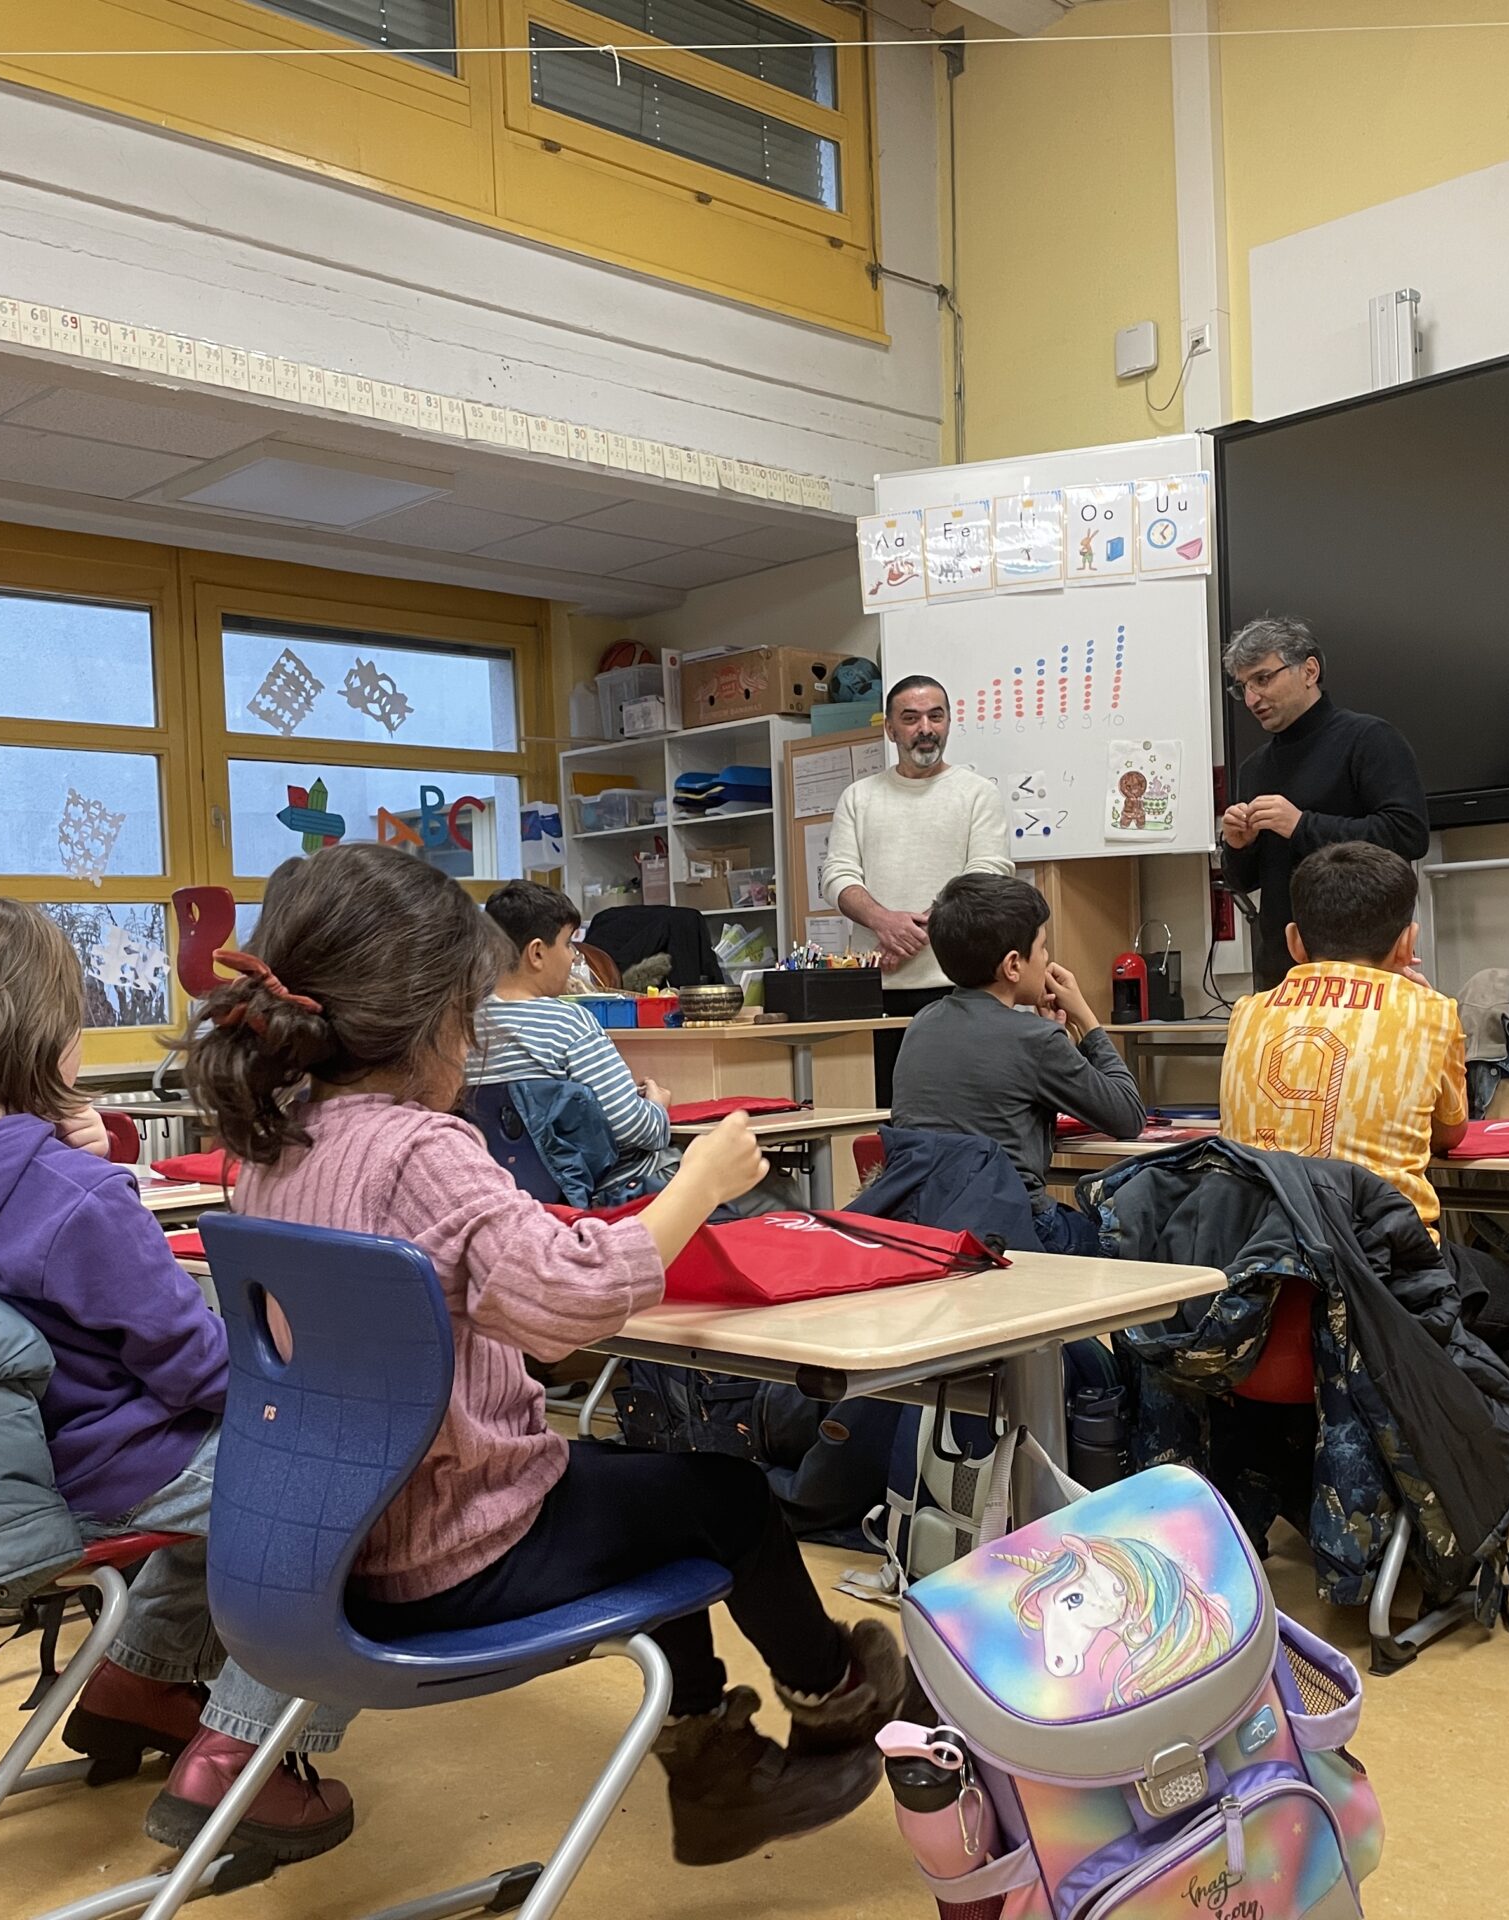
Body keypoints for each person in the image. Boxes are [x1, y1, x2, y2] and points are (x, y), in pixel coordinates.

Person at [181, 843, 907, 1867]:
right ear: (439, 1017)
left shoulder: (277, 1142)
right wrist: (699, 1184)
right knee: (731, 1500)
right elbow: (568, 1303)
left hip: (327, 1541)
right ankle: (831, 1695)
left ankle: (716, 1761)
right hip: (454, 1548)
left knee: (650, 1493)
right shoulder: (420, 1149)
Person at [0, 899, 300, 1853]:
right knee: (322, 1486)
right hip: (96, 1470)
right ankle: (240, 1756)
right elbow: (193, 1367)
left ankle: (139, 1680)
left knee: (238, 1475)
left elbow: (15, 1249)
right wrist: (294, 1372)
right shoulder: (71, 1197)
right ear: (35, 1034)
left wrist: (56, 1152)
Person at [1218, 844, 1509, 1381]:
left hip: (1257, 1262)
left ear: (1294, 941)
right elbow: (1450, 1134)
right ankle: (1430, 1415)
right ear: (1407, 943)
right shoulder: (1430, 1012)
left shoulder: (1245, 1012)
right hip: (1383, 1271)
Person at [889, 873, 1147, 1254]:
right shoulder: (1035, 1040)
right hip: (1014, 1230)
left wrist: (1054, 1039)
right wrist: (1086, 1019)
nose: (1047, 959)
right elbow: (1128, 1115)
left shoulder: (921, 1024)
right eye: (1042, 948)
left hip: (929, 1229)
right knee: (1142, 1233)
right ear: (1013, 965)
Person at [820, 675, 1014, 1102]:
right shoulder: (858, 797)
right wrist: (882, 922)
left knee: (956, 1112)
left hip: (959, 988)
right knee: (885, 1114)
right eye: (910, 719)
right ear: (891, 729)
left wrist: (912, 931)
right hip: (875, 993)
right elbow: (837, 875)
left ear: (948, 722)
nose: (925, 728)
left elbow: (987, 874)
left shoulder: (978, 794)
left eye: (935, 716)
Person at [1216, 616, 1430, 992]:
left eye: (1263, 679)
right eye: (1243, 687)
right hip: (1282, 974)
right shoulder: (1254, 768)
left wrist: (1302, 825)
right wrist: (1238, 845)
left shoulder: (1370, 739)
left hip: (1367, 968)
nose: (1251, 699)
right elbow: (1245, 881)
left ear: (1309, 671)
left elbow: (1408, 835)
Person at [473, 880, 675, 1198]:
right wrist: (657, 1109)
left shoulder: (460, 1027)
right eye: (568, 944)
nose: (572, 958)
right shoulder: (569, 1024)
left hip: (501, 1193)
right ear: (537, 953)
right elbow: (632, 1128)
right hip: (598, 1192)